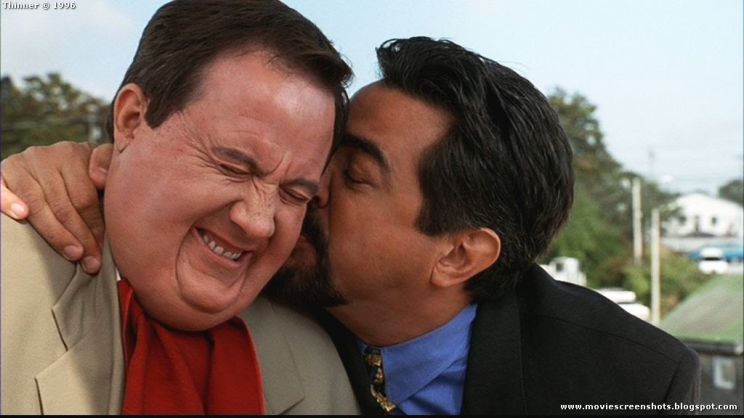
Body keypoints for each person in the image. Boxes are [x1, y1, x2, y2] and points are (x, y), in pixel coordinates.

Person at [2, 38, 701, 415]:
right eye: (324, 155)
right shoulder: (252, 277)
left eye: (356, 175)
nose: (306, 188)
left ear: (459, 255)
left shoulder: (631, 383)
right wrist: (86, 168)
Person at [0, 0, 360, 414]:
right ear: (132, 120)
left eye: (295, 194)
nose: (258, 223)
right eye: (233, 167)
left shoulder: (318, 368)